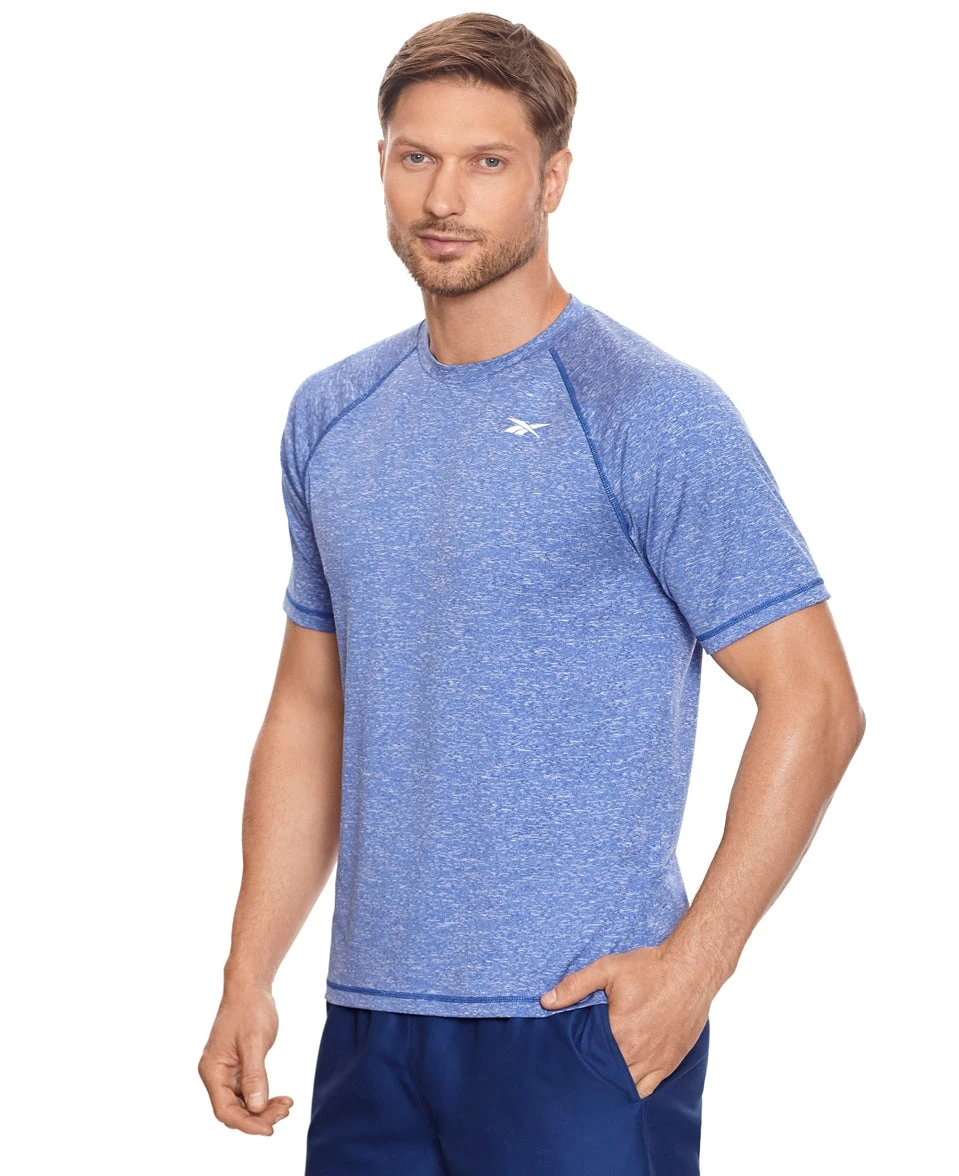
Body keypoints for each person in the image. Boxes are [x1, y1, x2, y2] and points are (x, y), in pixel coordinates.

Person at [197, 12, 865, 1174]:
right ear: (380, 164)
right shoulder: (334, 416)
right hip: (371, 1026)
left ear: (553, 179)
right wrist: (249, 972)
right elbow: (312, 704)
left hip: (577, 1027)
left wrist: (696, 967)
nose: (444, 197)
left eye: (488, 162)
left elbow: (816, 698)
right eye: (417, 157)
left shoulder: (646, 408)